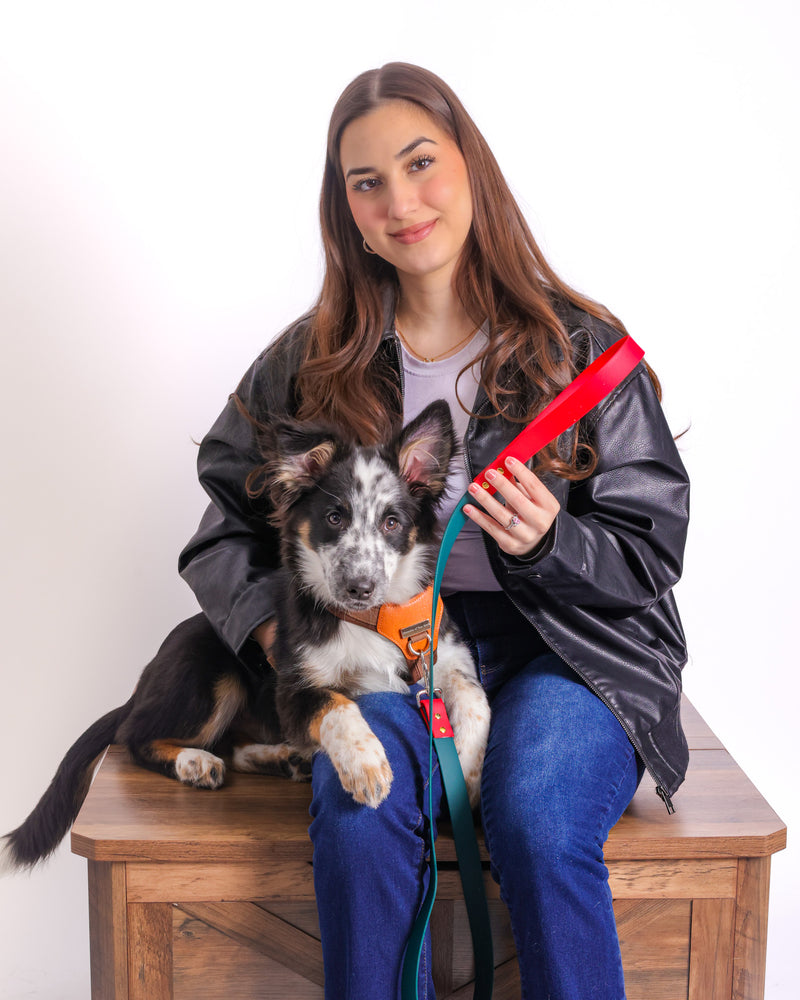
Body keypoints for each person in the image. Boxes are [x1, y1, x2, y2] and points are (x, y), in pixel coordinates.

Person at [179, 62, 690, 1000]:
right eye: (365, 182)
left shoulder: (582, 350)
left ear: (471, 166)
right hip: (383, 651)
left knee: (538, 815)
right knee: (358, 803)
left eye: (420, 164)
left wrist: (551, 545)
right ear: (344, 209)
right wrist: (286, 640)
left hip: (568, 655)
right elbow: (222, 529)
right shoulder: (308, 358)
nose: (400, 202)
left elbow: (652, 554)